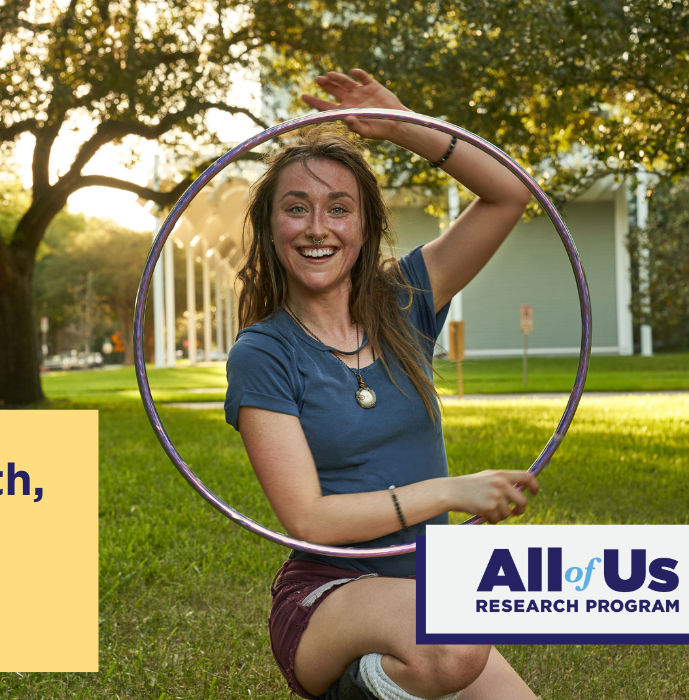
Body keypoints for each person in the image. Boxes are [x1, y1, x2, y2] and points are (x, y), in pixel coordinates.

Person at [223, 69, 541, 700]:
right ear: (270, 228)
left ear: (364, 227)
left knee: (457, 649)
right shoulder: (262, 353)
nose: (318, 228)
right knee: (451, 646)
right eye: (296, 209)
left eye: (339, 209)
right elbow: (309, 520)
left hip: (429, 588)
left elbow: (510, 194)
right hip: (330, 598)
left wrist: (405, 127)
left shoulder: (405, 300)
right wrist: (449, 491)